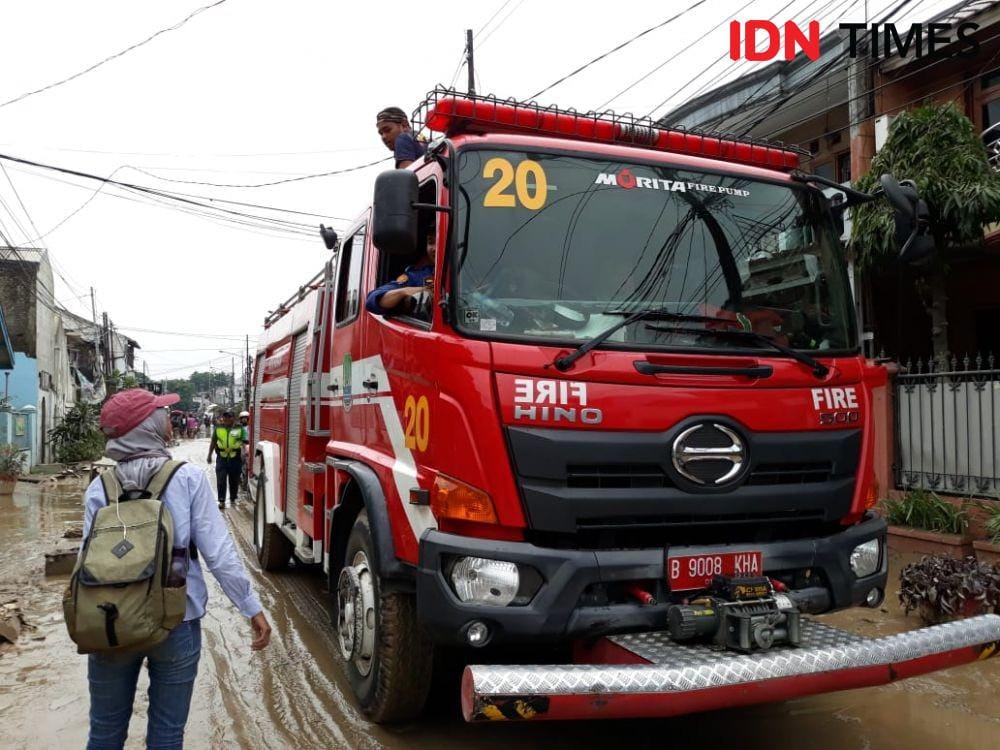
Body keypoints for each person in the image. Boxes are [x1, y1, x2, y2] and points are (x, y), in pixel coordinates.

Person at [82, 388, 271, 749]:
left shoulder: (98, 489)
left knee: (104, 732)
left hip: (109, 621)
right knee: (168, 732)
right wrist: (251, 608)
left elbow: (87, 566)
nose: (168, 418)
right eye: (161, 413)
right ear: (148, 426)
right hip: (176, 619)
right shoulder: (187, 479)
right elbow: (218, 553)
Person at [365, 230, 435, 316]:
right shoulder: (418, 276)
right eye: (431, 242)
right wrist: (405, 291)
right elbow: (372, 300)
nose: (435, 249)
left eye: (441, 242)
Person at [207, 411, 244, 509]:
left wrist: (245, 455)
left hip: (235, 457)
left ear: (234, 418)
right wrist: (209, 455)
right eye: (225, 417)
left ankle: (232, 498)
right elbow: (213, 442)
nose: (227, 419)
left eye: (229, 417)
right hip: (221, 458)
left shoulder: (239, 429)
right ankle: (222, 500)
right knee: (221, 480)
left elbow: (245, 442)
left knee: (234, 480)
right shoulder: (218, 429)